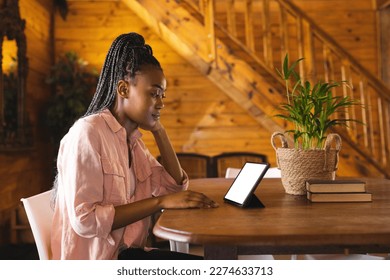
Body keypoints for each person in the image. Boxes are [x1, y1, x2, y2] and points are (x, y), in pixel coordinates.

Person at [51, 32, 218, 260]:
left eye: (162, 95)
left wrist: (160, 131)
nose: (160, 103)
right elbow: (85, 221)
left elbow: (175, 189)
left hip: (130, 255)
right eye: (153, 93)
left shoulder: (133, 142)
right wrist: (158, 202)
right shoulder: (87, 133)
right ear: (123, 90)